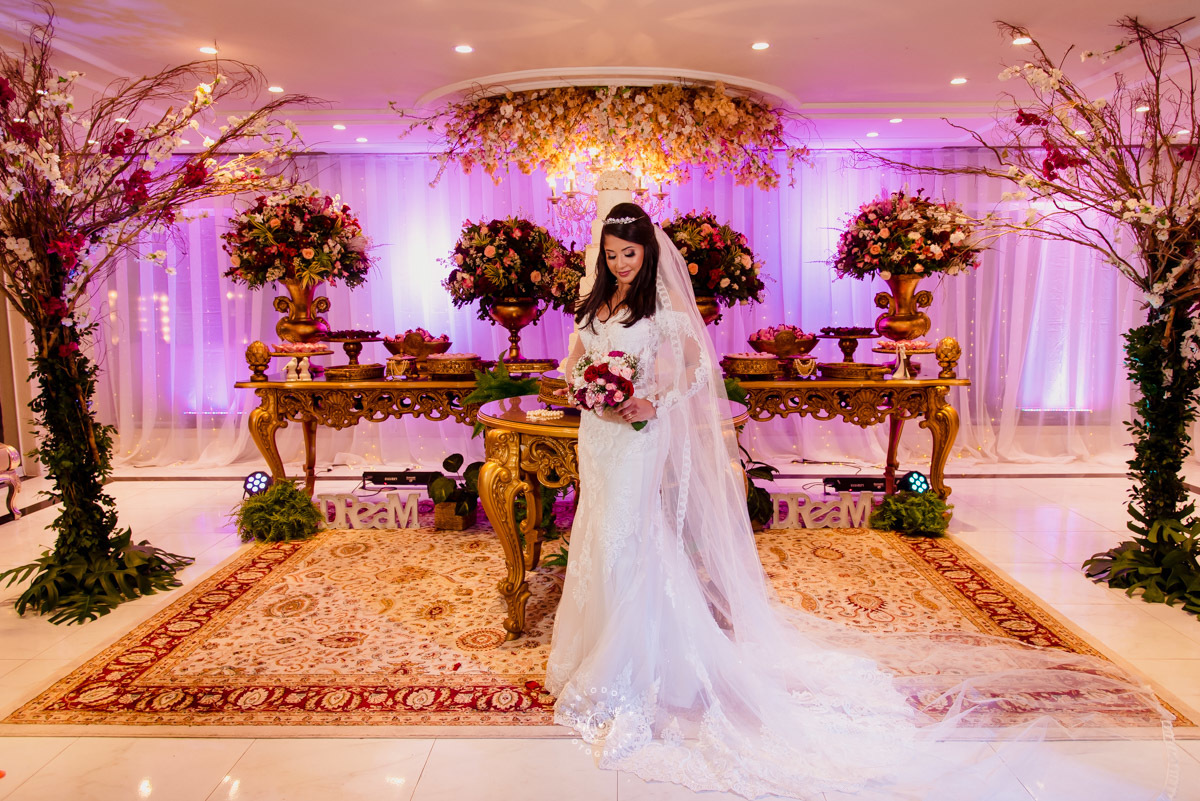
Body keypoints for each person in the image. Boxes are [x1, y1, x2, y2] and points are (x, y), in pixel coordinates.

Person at [546, 202, 1177, 800]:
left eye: (629, 253)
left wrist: (652, 400)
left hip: (638, 433)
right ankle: (599, 644)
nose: (620, 263)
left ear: (647, 253)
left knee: (631, 532)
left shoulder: (667, 313)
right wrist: (581, 382)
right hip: (597, 435)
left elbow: (693, 375)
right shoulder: (595, 300)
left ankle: (640, 662)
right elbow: (573, 358)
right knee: (600, 532)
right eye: (611, 254)